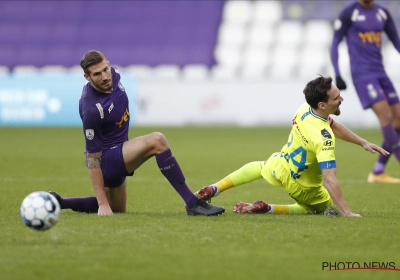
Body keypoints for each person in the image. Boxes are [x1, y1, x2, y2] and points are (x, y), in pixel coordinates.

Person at [50, 50, 225, 216]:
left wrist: (105, 204)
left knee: (117, 208)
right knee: (157, 141)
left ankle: (61, 203)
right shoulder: (92, 109)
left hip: (120, 150)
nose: (104, 77)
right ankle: (193, 203)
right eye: (97, 74)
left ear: (109, 65)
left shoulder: (115, 75)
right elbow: (93, 157)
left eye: (105, 70)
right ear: (87, 77)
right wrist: (102, 203)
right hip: (106, 160)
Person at [194, 76, 389, 217]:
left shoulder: (304, 108)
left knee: (261, 167)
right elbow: (330, 180)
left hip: (282, 164)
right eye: (337, 97)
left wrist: (363, 142)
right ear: (322, 105)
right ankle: (269, 208)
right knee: (324, 209)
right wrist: (347, 212)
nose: (342, 99)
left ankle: (215, 188)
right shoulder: (324, 139)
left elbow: (334, 124)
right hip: (303, 187)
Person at [330, 0, 400, 183]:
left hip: (380, 72)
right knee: (386, 117)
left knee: (398, 120)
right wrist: (337, 73)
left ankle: (377, 172)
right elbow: (335, 42)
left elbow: (396, 41)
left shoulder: (382, 12)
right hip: (362, 75)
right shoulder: (350, 12)